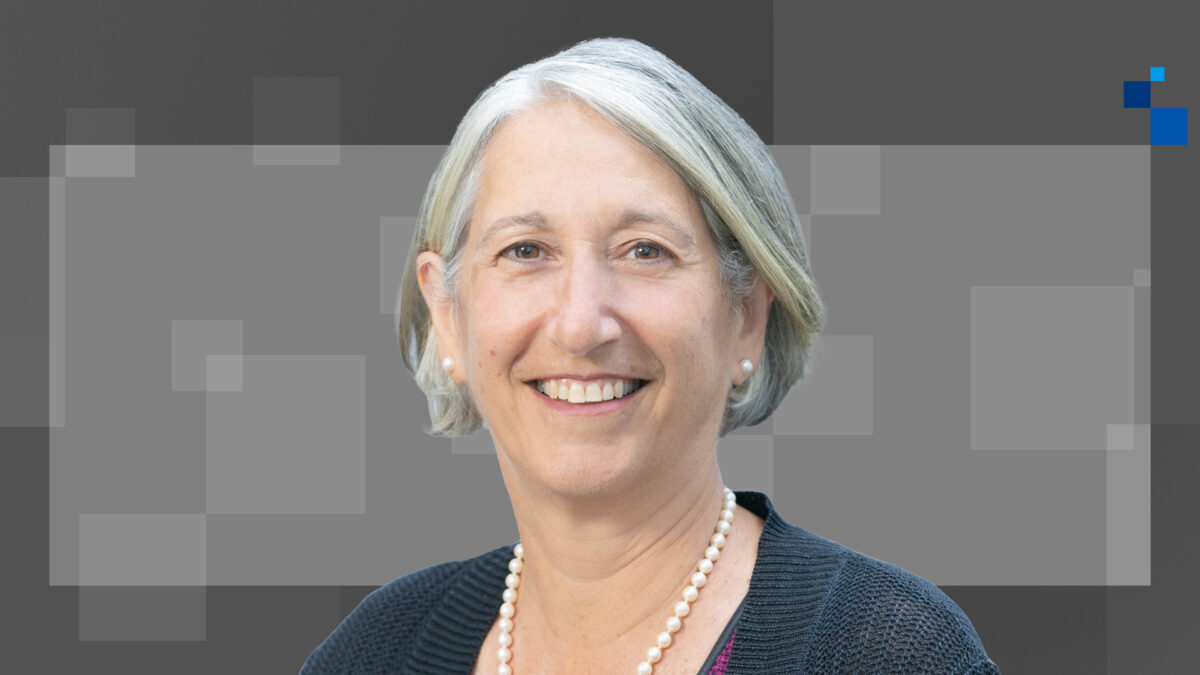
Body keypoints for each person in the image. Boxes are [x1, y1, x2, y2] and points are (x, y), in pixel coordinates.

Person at [301, 37, 1001, 674]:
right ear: (448, 314)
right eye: (526, 251)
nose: (581, 324)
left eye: (645, 250)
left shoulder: (887, 654)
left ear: (746, 317)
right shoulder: (373, 653)